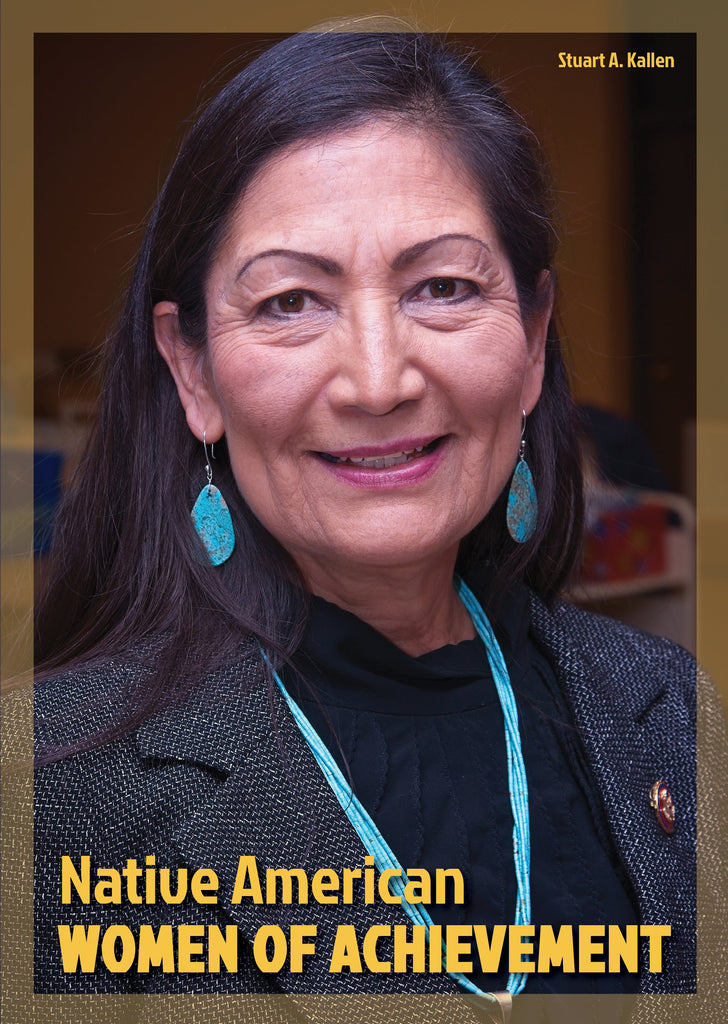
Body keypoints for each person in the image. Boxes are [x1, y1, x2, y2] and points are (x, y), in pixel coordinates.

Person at [30, 30, 703, 1020]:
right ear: (193, 370)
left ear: (529, 343)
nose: (379, 381)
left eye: (443, 286)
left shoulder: (667, 709)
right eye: (290, 300)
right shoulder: (47, 787)